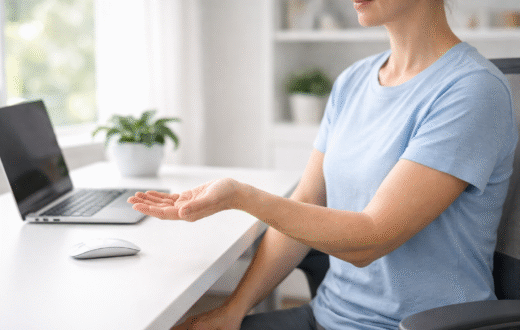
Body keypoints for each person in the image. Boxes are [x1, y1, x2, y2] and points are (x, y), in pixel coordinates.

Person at [128, 0, 517, 329]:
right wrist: (233, 309)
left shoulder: (472, 90)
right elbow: (308, 200)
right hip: (328, 315)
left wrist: (241, 196)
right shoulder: (352, 82)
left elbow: (372, 238)